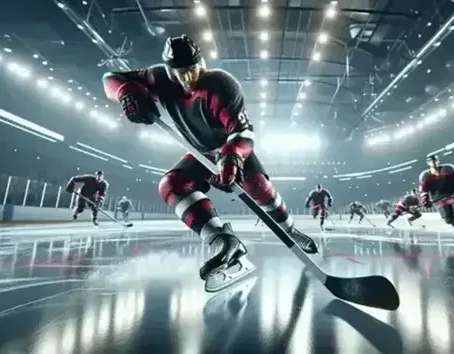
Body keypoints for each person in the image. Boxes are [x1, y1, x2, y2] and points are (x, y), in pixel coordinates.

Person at [102, 35, 318, 291]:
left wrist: (232, 156)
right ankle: (222, 241)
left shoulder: (221, 84)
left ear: (202, 62)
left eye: (194, 68)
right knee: (171, 185)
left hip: (230, 149)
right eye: (182, 72)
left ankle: (289, 229)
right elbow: (110, 79)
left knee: (260, 189)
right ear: (171, 71)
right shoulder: (156, 78)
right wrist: (126, 92)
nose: (189, 76)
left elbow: (243, 132)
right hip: (200, 153)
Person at [419, 155, 454, 240]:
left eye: (434, 160)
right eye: (431, 161)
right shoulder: (425, 175)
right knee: (448, 220)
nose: (433, 163)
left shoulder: (448, 169)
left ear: (438, 161)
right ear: (428, 163)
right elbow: (423, 189)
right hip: (439, 198)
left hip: (453, 193)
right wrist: (425, 199)